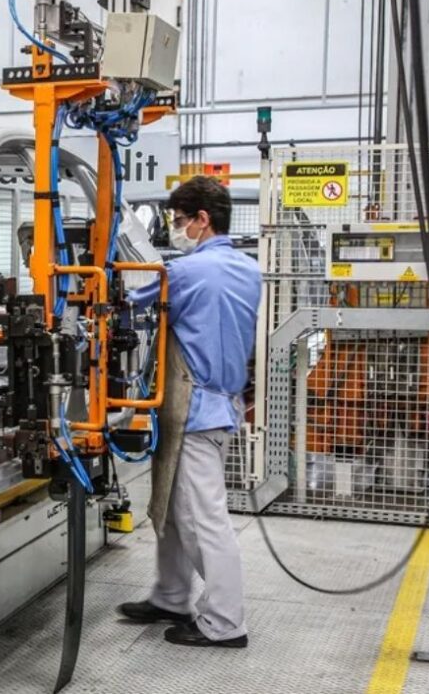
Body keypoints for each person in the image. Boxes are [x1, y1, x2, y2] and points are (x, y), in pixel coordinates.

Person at [117, 176, 262, 648]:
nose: (176, 230)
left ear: (203, 219)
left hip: (195, 410)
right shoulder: (245, 267)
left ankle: (225, 622)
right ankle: (173, 596)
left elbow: (122, 303)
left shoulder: (187, 272)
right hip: (217, 404)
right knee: (176, 514)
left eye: (180, 222)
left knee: (202, 519)